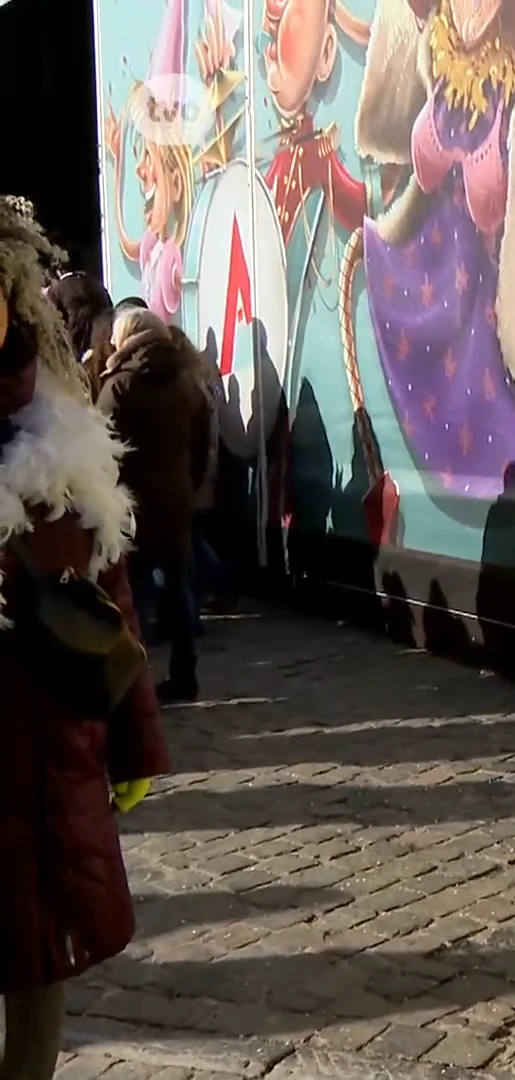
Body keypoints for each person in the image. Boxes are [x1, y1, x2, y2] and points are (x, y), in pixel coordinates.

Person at [0, 195, 169, 1080]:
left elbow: (113, 599)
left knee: (37, 970)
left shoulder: (63, 444)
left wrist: (136, 738)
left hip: (45, 758)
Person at [95, 306, 213, 702]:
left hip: (131, 502)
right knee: (179, 587)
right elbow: (201, 443)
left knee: (132, 594)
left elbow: (103, 448)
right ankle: (185, 673)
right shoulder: (186, 381)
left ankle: (134, 682)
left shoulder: (121, 385)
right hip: (176, 497)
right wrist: (188, 486)